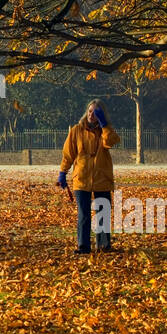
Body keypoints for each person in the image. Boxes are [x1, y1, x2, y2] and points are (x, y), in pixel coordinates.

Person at [57, 99, 121, 254]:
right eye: (90, 111)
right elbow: (68, 154)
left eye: (96, 112)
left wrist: (104, 125)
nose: (92, 115)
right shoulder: (76, 130)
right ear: (86, 112)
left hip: (101, 178)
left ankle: (104, 245)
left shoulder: (106, 130)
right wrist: (62, 173)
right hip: (82, 178)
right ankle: (83, 246)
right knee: (84, 214)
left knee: (102, 213)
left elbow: (110, 142)